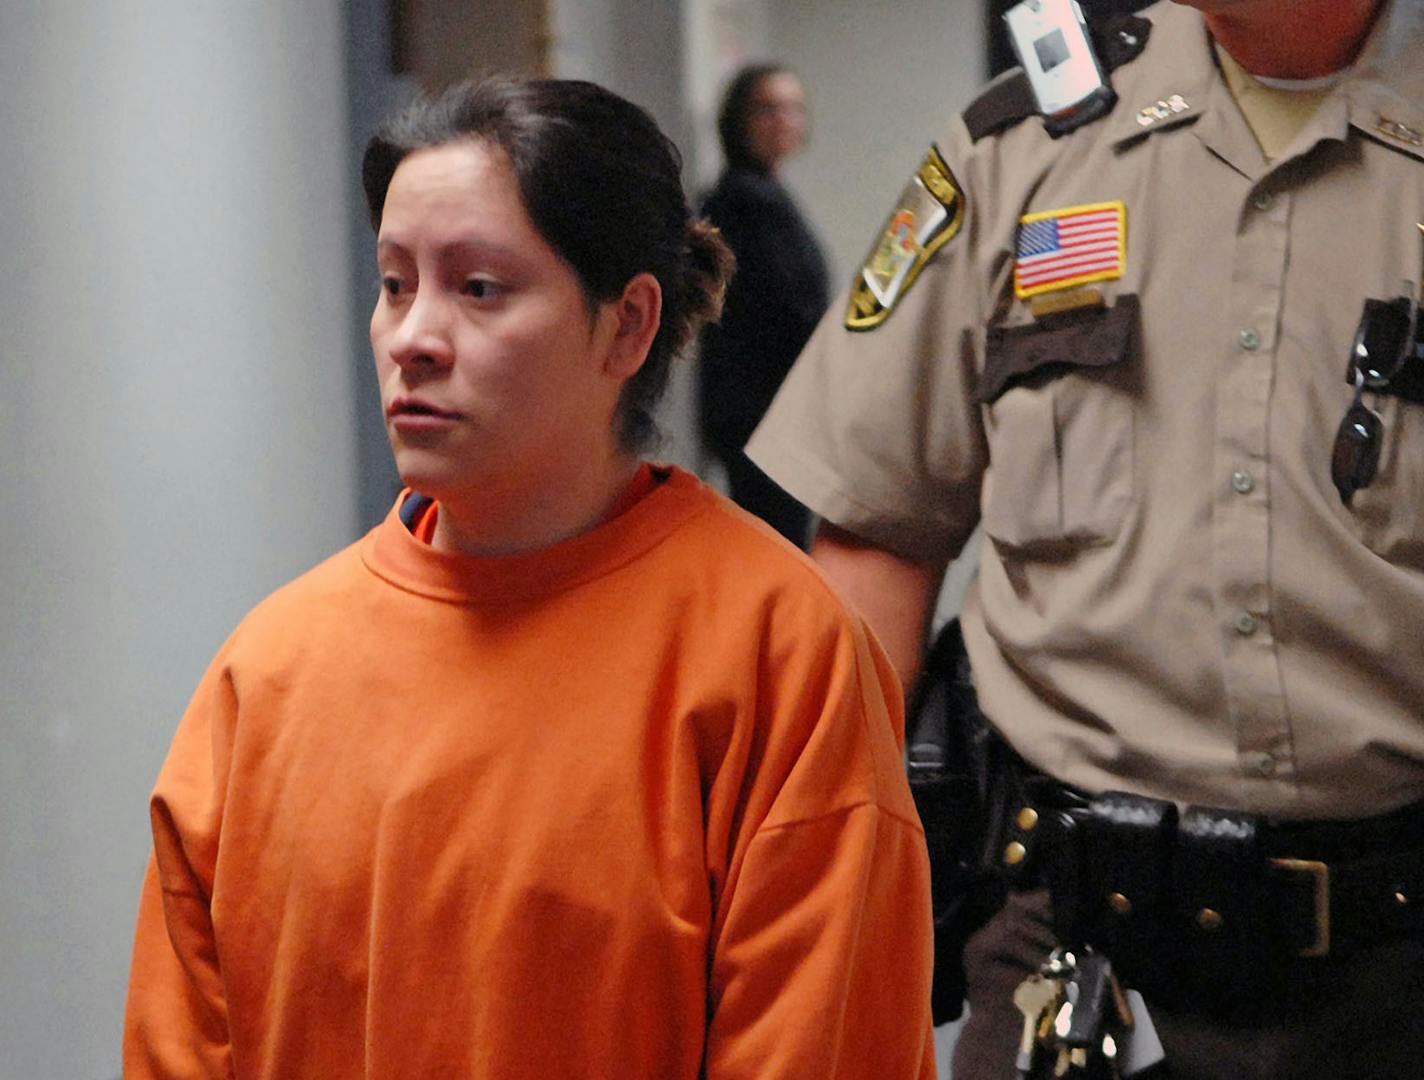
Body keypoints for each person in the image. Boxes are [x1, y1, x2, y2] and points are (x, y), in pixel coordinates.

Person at [122, 77, 936, 1080]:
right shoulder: (270, 672)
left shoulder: (776, 655)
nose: (413, 337)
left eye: (478, 287)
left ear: (627, 326)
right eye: (392, 282)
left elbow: (820, 1049)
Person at [747, 0, 1424, 1076]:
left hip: (1393, 967)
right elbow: (877, 534)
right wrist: (842, 893)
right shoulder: (1022, 145)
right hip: (1073, 949)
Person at [698, 64, 829, 548]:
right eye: (768, 108)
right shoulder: (743, 202)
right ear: (738, 120)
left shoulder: (768, 195)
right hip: (762, 414)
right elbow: (786, 309)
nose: (784, 120)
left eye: (793, 108)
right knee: (777, 548)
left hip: (773, 412)